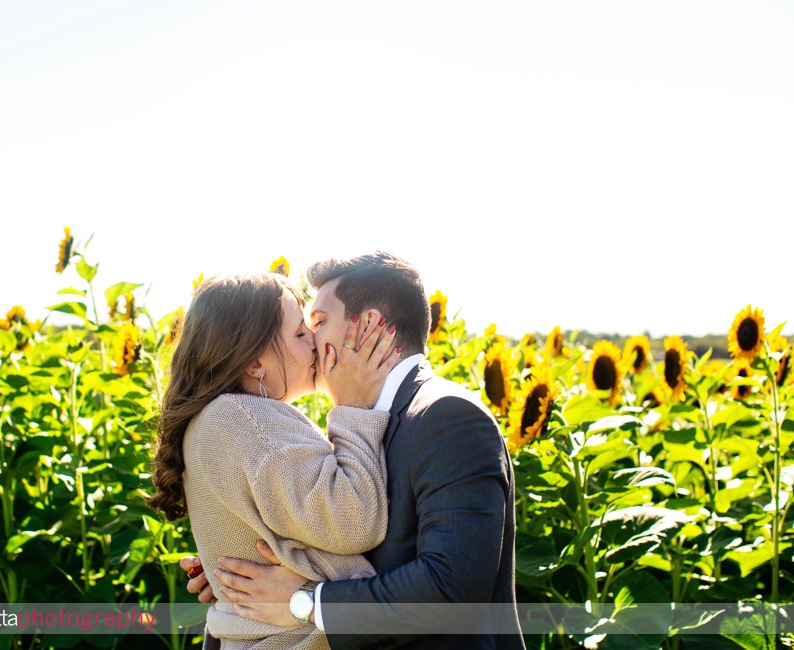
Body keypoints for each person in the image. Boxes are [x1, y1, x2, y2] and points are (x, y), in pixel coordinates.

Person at [183, 252, 525, 649]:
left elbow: (450, 586)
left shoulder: (447, 416)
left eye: (320, 322)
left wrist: (308, 602)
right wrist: (237, 564)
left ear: (368, 327)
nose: (312, 339)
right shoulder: (357, 422)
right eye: (303, 330)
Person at [145, 271, 403, 649]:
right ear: (253, 363)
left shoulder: (222, 420)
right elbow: (354, 519)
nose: (315, 342)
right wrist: (353, 407)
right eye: (300, 333)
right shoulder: (248, 421)